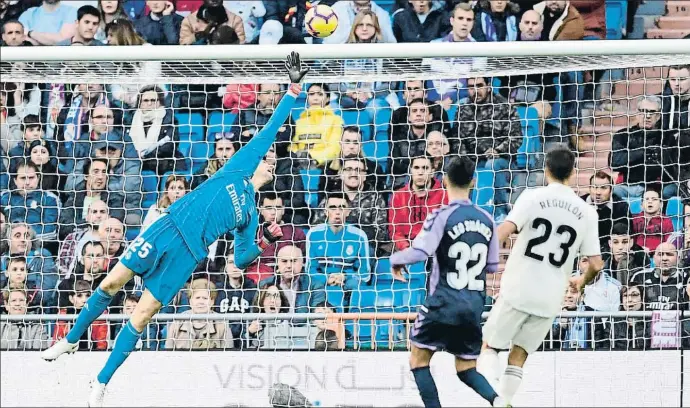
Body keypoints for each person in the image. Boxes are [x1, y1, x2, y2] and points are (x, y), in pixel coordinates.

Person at [39, 52, 309, 407]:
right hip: (167, 228)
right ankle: (72, 339)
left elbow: (242, 259)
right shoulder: (238, 168)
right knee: (110, 283)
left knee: (144, 313)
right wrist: (292, 90)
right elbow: (270, 128)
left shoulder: (252, 214)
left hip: (189, 254)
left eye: (272, 161)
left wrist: (265, 241)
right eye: (268, 158)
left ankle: (101, 381)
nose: (270, 161)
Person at [477, 144, 604, 406]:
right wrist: (582, 281)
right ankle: (507, 400)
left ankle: (495, 400)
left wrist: (482, 262)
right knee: (519, 354)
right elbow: (597, 263)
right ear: (572, 172)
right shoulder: (587, 212)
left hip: (518, 289)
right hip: (550, 298)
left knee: (489, 347)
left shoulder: (532, 197)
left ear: (546, 169)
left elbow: (504, 231)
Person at [389, 155, 505, 408]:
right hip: (474, 304)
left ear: (444, 181)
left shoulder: (441, 215)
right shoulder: (487, 219)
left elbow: (420, 252)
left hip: (443, 300)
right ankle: (498, 400)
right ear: (473, 182)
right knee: (466, 368)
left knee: (418, 361)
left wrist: (395, 259)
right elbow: (493, 266)